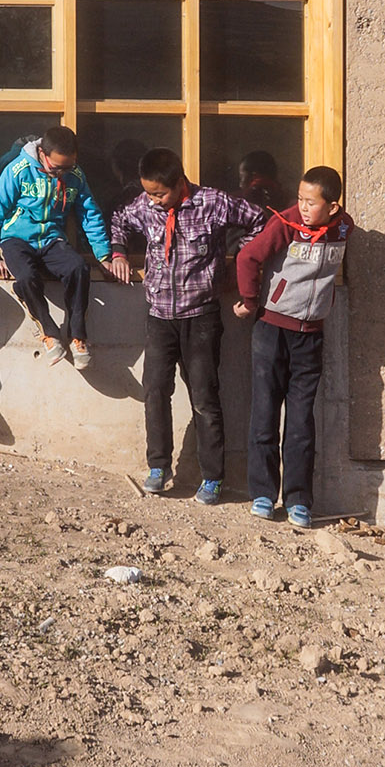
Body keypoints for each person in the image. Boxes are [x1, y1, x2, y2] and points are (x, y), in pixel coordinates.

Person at [111, 146, 268, 504]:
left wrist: (237, 263)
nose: (153, 200)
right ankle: (158, 466)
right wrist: (118, 251)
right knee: (154, 390)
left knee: (204, 397)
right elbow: (119, 218)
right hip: (159, 316)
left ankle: (212, 476)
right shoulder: (144, 206)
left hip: (200, 317)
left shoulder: (212, 203)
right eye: (148, 192)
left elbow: (258, 221)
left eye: (159, 193)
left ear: (179, 182)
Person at [235, 165, 355, 531]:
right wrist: (249, 299)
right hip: (273, 328)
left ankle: (299, 499)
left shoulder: (344, 227)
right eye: (300, 199)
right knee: (265, 412)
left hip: (311, 335)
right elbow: (247, 258)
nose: (303, 207)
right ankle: (263, 494)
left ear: (332, 207)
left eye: (311, 202)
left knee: (302, 420)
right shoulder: (285, 224)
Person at [0, 125, 128, 370]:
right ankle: (49, 332)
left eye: (68, 167)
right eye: (56, 168)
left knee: (78, 268)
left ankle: (78, 335)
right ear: (42, 154)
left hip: (51, 239)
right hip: (16, 239)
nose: (61, 173)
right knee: (26, 277)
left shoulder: (76, 176)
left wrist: (103, 254)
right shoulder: (18, 170)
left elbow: (88, 214)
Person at [237, 148, 286, 216]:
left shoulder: (246, 198)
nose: (240, 185)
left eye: (242, 177)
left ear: (254, 176)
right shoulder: (285, 196)